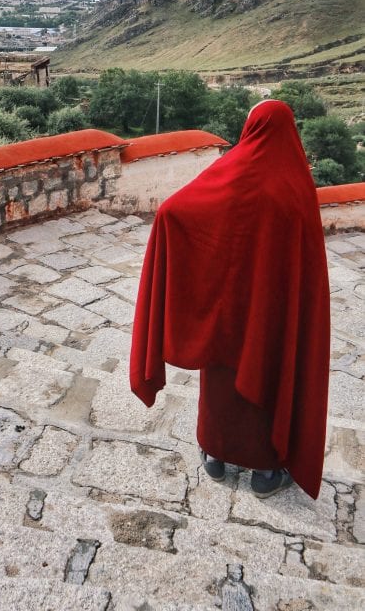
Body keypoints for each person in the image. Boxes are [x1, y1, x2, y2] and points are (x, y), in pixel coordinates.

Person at [129, 99, 330, 499]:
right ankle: (267, 471)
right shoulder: (294, 185)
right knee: (271, 370)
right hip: (269, 318)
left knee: (220, 375)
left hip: (225, 315)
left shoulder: (230, 170)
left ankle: (215, 455)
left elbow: (175, 209)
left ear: (251, 128)